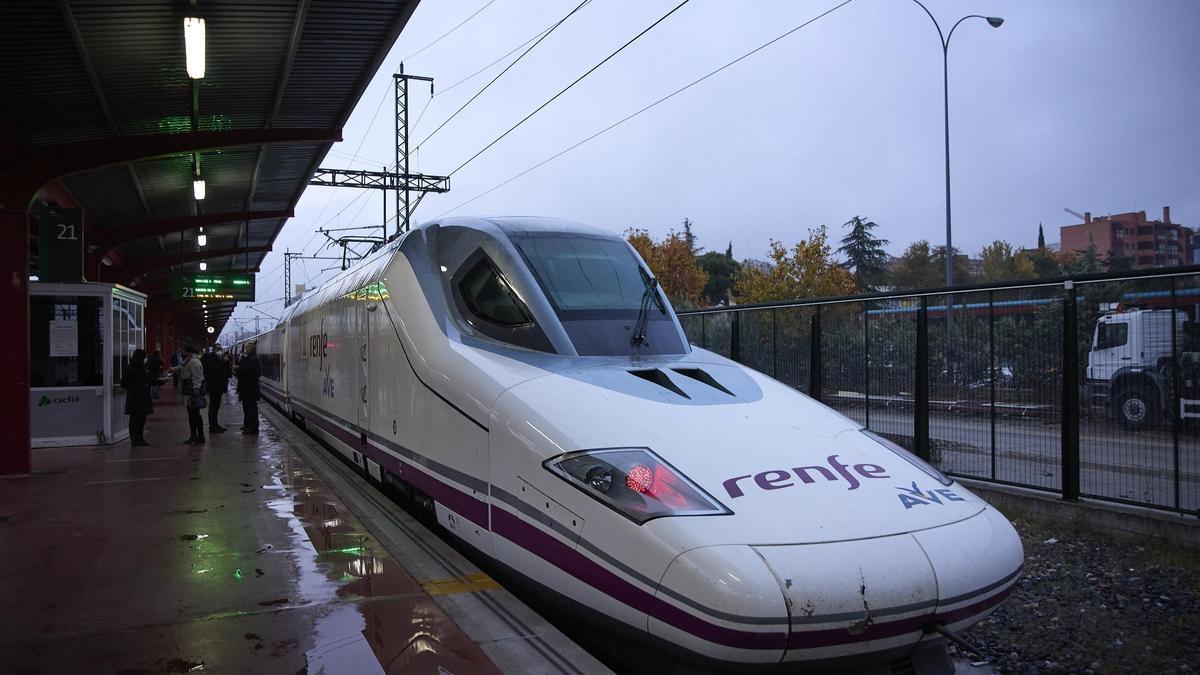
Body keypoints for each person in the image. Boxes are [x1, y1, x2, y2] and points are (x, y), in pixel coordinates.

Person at [120, 348, 153, 446]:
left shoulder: (141, 367)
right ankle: (135, 439)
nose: (145, 359)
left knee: (141, 419)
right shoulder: (131, 368)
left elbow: (148, 379)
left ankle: (140, 438)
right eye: (144, 357)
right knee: (135, 419)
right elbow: (124, 383)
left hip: (141, 397)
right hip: (135, 397)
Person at [180, 344, 206, 444]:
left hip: (193, 391)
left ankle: (196, 436)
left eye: (184, 351)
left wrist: (196, 390)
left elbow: (197, 377)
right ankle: (198, 436)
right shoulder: (190, 361)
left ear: (188, 352)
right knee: (194, 414)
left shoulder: (193, 362)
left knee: (193, 415)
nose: (183, 353)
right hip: (192, 390)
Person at [201, 344, 231, 433]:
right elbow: (214, 369)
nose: (220, 350)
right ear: (213, 349)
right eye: (218, 349)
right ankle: (213, 426)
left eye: (221, 349)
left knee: (216, 406)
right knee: (213, 407)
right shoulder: (210, 358)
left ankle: (215, 424)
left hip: (218, 386)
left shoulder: (219, 358)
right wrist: (224, 362)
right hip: (214, 386)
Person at [235, 340, 261, 435]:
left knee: (250, 409)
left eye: (246, 348)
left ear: (250, 349)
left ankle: (252, 427)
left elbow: (246, 372)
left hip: (249, 389)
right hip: (248, 388)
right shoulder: (250, 358)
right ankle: (247, 425)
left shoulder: (252, 359)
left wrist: (237, 369)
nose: (245, 349)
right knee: (247, 408)